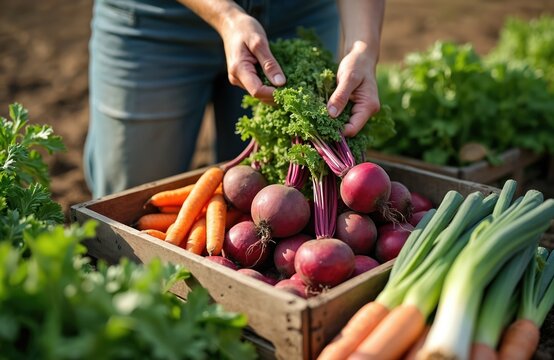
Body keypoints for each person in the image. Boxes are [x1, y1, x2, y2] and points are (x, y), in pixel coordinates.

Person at [84, 0, 385, 198]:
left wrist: (363, 47)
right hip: (156, 20)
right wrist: (225, 15)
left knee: (252, 189)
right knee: (131, 196)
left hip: (296, 13)